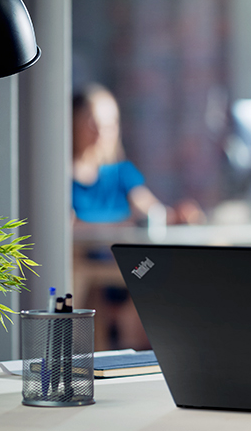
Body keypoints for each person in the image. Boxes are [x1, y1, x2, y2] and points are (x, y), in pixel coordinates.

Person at [72, 83, 204, 350]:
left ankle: (132, 328)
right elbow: (67, 226)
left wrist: (174, 215)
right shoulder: (59, 174)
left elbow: (151, 211)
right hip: (88, 263)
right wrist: (122, 224)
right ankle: (129, 332)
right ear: (73, 123)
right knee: (150, 273)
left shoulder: (120, 171)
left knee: (158, 268)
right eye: (93, 122)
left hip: (128, 264)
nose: (101, 131)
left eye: (110, 123)